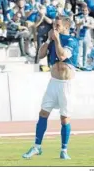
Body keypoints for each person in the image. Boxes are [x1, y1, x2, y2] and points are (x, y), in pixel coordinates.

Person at [22, 16, 79, 160]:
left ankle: (64, 150)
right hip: (53, 83)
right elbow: (40, 55)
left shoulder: (72, 41)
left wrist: (57, 40)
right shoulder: (52, 40)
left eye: (58, 25)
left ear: (66, 27)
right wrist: (48, 41)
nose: (54, 28)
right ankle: (37, 147)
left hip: (67, 85)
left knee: (65, 119)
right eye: (54, 25)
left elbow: (62, 56)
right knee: (43, 113)